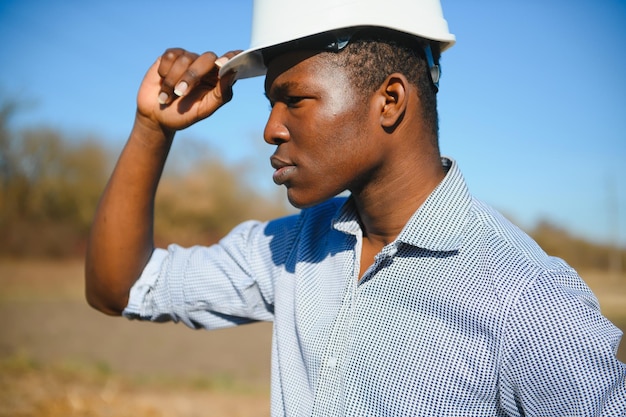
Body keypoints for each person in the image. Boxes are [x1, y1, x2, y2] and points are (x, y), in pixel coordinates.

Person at [85, 0, 626, 415]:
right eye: (270, 101)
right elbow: (121, 287)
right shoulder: (294, 249)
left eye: (294, 99)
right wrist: (152, 127)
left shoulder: (525, 298)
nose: (271, 128)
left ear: (389, 100)